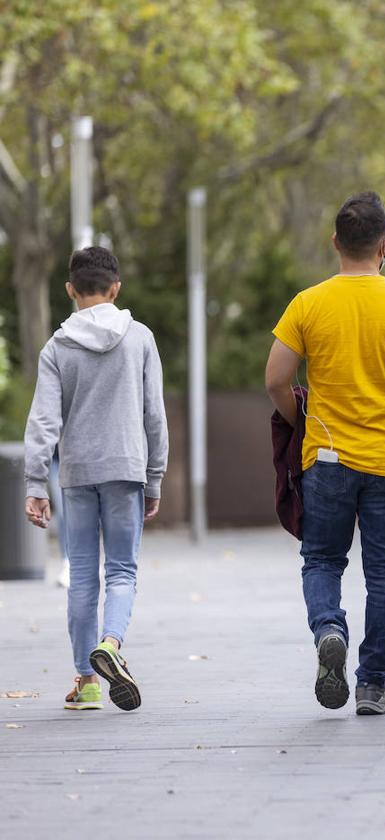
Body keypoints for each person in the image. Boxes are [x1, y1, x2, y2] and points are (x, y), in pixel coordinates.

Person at [265, 191, 385, 716]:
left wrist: (301, 423)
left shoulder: (308, 304)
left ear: (335, 243)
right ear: (383, 245)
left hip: (324, 459)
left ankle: (329, 629)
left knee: (323, 559)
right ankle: (372, 685)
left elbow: (276, 380)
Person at [24, 245, 168, 712]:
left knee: (83, 576)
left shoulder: (57, 347)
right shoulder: (140, 338)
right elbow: (154, 415)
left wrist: (34, 483)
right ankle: (111, 643)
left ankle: (86, 683)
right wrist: (155, 477)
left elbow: (44, 421)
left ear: (70, 290)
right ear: (116, 288)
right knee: (122, 570)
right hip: (126, 469)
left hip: (78, 472)